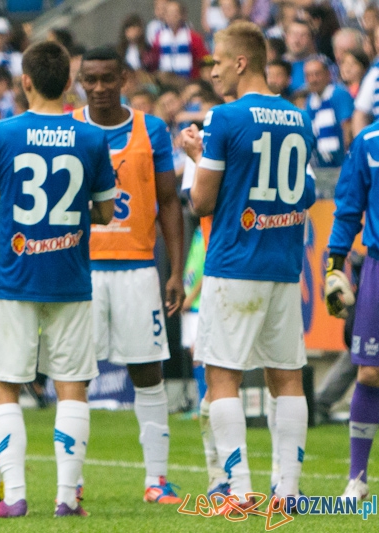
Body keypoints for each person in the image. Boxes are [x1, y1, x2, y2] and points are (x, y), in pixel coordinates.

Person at [0, 40, 116, 518]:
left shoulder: (0, 133)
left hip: (15, 277)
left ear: (26, 82)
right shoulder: (92, 137)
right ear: (70, 83)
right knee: (72, 384)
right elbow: (106, 211)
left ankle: (14, 496)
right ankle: (66, 498)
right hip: (70, 276)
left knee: (5, 384)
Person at [180, 21, 315, 509]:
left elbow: (200, 202)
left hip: (235, 262)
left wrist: (196, 156)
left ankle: (238, 491)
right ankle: (289, 492)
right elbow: (306, 192)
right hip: (283, 263)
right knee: (287, 378)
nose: (213, 72)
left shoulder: (223, 117)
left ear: (241, 62)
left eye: (217, 62)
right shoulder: (298, 117)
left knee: (222, 378)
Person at [74, 46, 185, 504]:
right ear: (81, 81)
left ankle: (156, 480)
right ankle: (71, 483)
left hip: (138, 267)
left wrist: (175, 269)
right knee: (74, 375)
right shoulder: (68, 127)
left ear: (124, 78)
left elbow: (169, 202)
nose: (99, 87)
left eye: (107, 78)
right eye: (90, 79)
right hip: (81, 270)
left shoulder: (151, 129)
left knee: (147, 371)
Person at [325, 99, 379, 500]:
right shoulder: (368, 141)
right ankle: (357, 478)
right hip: (377, 265)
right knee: (369, 373)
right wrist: (334, 264)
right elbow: (347, 208)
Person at [304, 56, 353, 196]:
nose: (313, 79)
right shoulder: (310, 101)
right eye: (309, 75)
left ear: (328, 74)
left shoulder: (338, 93)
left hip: (341, 166)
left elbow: (347, 126)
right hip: (322, 168)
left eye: (317, 74)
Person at [153, 0, 210, 79]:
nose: (172, 16)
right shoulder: (158, 37)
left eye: (175, 13)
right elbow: (154, 61)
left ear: (183, 15)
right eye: (168, 13)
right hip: (165, 81)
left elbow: (204, 59)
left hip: (189, 79)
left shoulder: (193, 37)